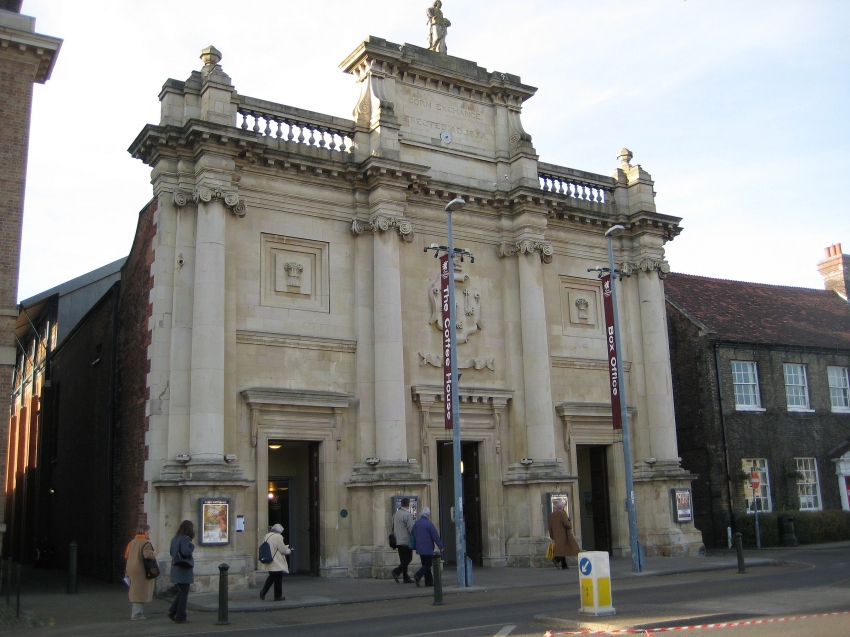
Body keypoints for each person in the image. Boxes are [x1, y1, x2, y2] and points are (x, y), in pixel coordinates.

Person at [124, 524, 156, 621]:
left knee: (136, 591)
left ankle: (138, 613)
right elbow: (148, 555)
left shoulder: (132, 542)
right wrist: (153, 553)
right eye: (149, 531)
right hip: (141, 570)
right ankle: (137, 614)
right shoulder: (145, 543)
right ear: (145, 531)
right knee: (140, 592)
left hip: (132, 569)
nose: (150, 532)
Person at [167, 520, 195, 623]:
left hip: (176, 567)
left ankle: (172, 610)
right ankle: (180, 616)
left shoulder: (175, 538)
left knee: (182, 591)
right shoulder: (186, 538)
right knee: (184, 593)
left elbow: (171, 552)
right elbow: (185, 552)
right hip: (183, 568)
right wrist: (192, 546)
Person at [412, 507, 444, 587]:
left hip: (419, 546)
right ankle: (418, 575)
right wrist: (441, 546)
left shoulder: (417, 523)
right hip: (427, 547)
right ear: (429, 514)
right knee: (428, 564)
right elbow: (435, 536)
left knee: (425, 564)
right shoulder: (429, 524)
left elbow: (413, 533)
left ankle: (428, 582)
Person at [259, 523, 291, 601]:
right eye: (281, 531)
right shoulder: (278, 536)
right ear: (279, 531)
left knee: (273, 576)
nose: (281, 533)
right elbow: (282, 550)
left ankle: (270, 593)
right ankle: (275, 595)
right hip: (276, 560)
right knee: (276, 577)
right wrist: (288, 550)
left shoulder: (267, 536)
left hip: (269, 558)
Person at [548, 499, 580, 569]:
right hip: (564, 534)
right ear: (562, 506)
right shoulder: (562, 514)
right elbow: (566, 523)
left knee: (562, 548)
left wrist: (551, 534)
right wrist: (570, 525)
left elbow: (549, 526)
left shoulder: (552, 515)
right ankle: (556, 559)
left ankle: (564, 565)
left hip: (556, 534)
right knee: (565, 548)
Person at [391, 498, 415, 584]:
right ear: (408, 504)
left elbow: (393, 527)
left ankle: (406, 577)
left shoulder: (396, 514)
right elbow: (411, 528)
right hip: (405, 540)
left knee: (403, 559)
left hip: (398, 540)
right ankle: (396, 571)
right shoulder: (407, 515)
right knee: (408, 558)